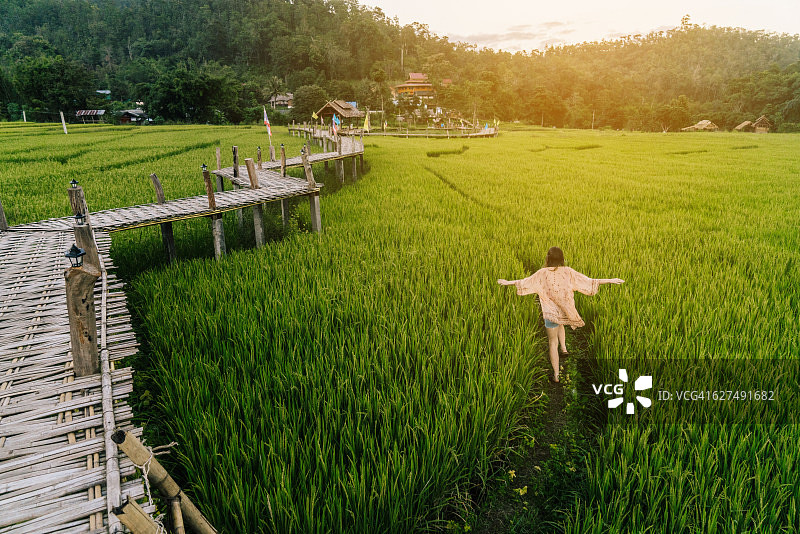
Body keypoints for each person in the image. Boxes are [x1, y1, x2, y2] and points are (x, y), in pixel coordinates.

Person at [498, 247, 624, 383]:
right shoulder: (568, 272)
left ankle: (556, 375)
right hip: (565, 311)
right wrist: (611, 280)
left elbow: (525, 282)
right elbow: (588, 281)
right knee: (561, 323)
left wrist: (507, 282)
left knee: (553, 342)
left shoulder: (542, 273)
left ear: (548, 258)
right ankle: (564, 349)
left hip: (550, 314)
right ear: (562, 259)